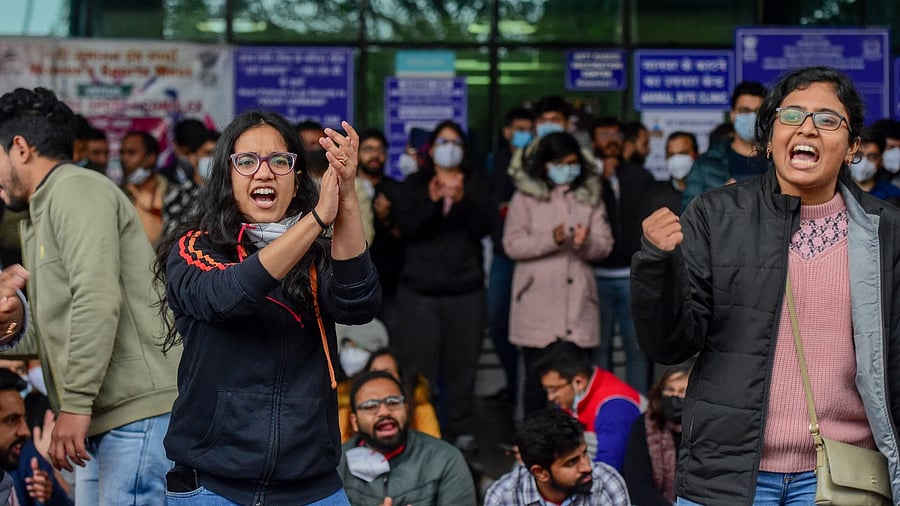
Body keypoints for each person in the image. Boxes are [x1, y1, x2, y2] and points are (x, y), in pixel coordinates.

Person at [631, 66, 900, 504]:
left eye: (827, 119)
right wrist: (656, 264)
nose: (807, 128)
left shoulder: (886, 232)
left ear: (852, 147)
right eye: (791, 115)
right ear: (769, 136)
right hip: (726, 474)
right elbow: (670, 344)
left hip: (842, 475)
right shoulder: (715, 216)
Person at [155, 110, 380, 505]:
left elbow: (358, 304)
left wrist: (344, 197)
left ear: (296, 179)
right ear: (227, 177)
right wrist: (315, 220)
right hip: (214, 487)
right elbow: (227, 297)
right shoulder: (194, 247)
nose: (264, 172)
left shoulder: (318, 255)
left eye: (280, 161)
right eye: (246, 161)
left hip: (313, 487)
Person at [0, 87, 179, 506]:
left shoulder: (75, 190)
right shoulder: (40, 212)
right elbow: (58, 326)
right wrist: (8, 326)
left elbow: (96, 301)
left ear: (21, 148)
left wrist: (75, 406)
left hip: (136, 414)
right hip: (106, 419)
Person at [393, 119, 496, 450]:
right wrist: (433, 201)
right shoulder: (413, 183)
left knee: (462, 369)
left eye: (455, 142)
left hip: (465, 293)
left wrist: (463, 199)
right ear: (431, 149)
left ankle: (461, 434)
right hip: (419, 293)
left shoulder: (478, 182)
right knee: (420, 370)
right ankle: (423, 434)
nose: (449, 148)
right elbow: (407, 226)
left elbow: (486, 227)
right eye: (442, 142)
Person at [503, 131, 613, 416]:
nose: (567, 168)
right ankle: (532, 449)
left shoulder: (589, 197)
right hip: (536, 309)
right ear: (546, 164)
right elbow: (512, 245)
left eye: (572, 162)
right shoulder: (525, 198)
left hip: (578, 308)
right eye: (560, 162)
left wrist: (585, 243)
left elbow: (605, 245)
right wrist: (551, 239)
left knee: (576, 387)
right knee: (537, 387)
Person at [337, 370, 474, 505]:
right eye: (370, 406)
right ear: (354, 421)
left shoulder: (445, 460)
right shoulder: (336, 465)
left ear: (407, 410)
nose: (384, 412)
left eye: (393, 402)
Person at [590, 116, 656, 393]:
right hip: (595, 277)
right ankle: (604, 407)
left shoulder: (641, 176)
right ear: (593, 141)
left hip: (632, 276)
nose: (611, 141)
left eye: (616, 135)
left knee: (637, 349)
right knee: (599, 350)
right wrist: (600, 180)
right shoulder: (586, 178)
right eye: (604, 134)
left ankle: (638, 416)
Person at [483, 408, 630, 506]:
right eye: (571, 462)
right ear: (540, 473)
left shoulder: (607, 482)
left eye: (584, 453)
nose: (587, 467)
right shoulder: (503, 497)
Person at [487, 106, 534, 406]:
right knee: (498, 322)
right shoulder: (493, 162)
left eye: (528, 129)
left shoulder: (539, 162)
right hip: (503, 254)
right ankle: (512, 382)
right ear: (507, 132)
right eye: (518, 128)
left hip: (533, 255)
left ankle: (524, 391)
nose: (524, 134)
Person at [535, 341, 641, 472]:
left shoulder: (615, 408)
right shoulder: (571, 398)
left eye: (554, 389)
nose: (550, 397)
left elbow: (608, 472)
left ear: (579, 382)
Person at [682, 81, 768, 209]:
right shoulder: (706, 164)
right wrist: (719, 201)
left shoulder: (778, 160)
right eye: (745, 111)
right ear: (733, 115)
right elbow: (687, 215)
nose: (752, 117)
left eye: (758, 112)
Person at [356, 129, 405, 341]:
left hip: (391, 287)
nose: (374, 155)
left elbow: (408, 236)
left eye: (379, 150)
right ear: (356, 154)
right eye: (368, 150)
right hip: (355, 285)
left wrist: (387, 219)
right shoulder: (344, 188)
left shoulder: (398, 190)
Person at [622, 360, 694, 506]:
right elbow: (637, 484)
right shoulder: (645, 425)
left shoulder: (705, 429)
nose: (674, 397)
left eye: (683, 392)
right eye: (669, 390)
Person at [0, 369, 72, 506]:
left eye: (24, 419)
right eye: (11, 420)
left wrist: (50, 495)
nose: (25, 431)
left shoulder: (24, 454)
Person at [120, 130, 169, 244]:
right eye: (122, 153)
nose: (124, 158)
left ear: (151, 157)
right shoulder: (117, 193)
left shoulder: (172, 192)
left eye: (131, 153)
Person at [641, 131, 700, 217]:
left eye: (683, 153)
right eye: (671, 155)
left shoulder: (707, 194)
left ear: (696, 155)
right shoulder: (655, 198)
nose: (677, 159)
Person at [849, 127, 900, 206]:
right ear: (848, 155)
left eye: (872, 157)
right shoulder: (835, 192)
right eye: (858, 155)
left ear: (881, 160)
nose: (864, 163)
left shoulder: (893, 196)